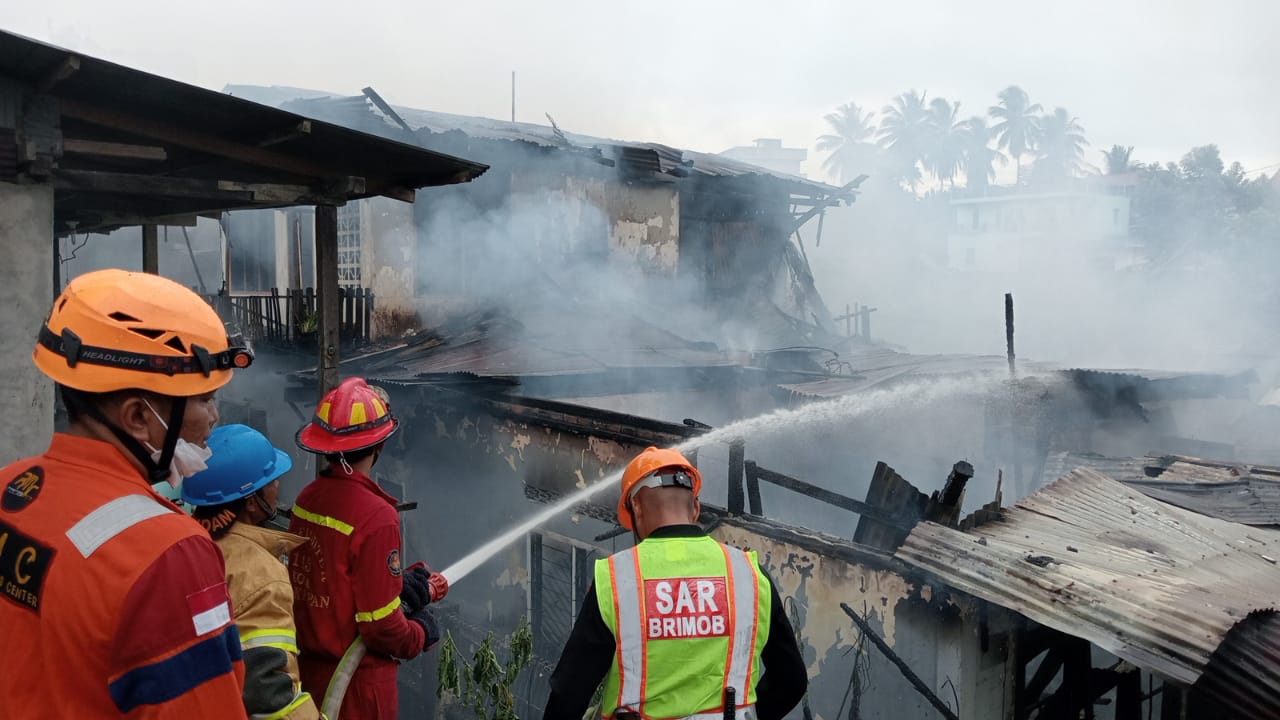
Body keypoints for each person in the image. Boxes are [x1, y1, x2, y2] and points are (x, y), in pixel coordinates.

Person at [0, 268, 254, 718]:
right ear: (139, 416)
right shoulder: (169, 555)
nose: (213, 417)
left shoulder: (10, 488)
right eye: (204, 399)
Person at [545, 447, 809, 720]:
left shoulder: (615, 579)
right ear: (695, 508)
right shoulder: (751, 576)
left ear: (635, 506)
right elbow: (792, 682)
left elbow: (568, 697)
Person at [288, 376, 449, 719]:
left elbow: (333, 574)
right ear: (379, 446)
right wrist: (420, 633)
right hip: (358, 689)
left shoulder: (306, 499)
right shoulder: (377, 516)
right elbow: (382, 629)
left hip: (307, 677)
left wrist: (395, 583)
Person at [183, 424, 322, 720]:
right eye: (270, 480)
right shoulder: (261, 574)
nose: (277, 486)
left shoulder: (187, 543)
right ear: (251, 502)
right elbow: (268, 691)